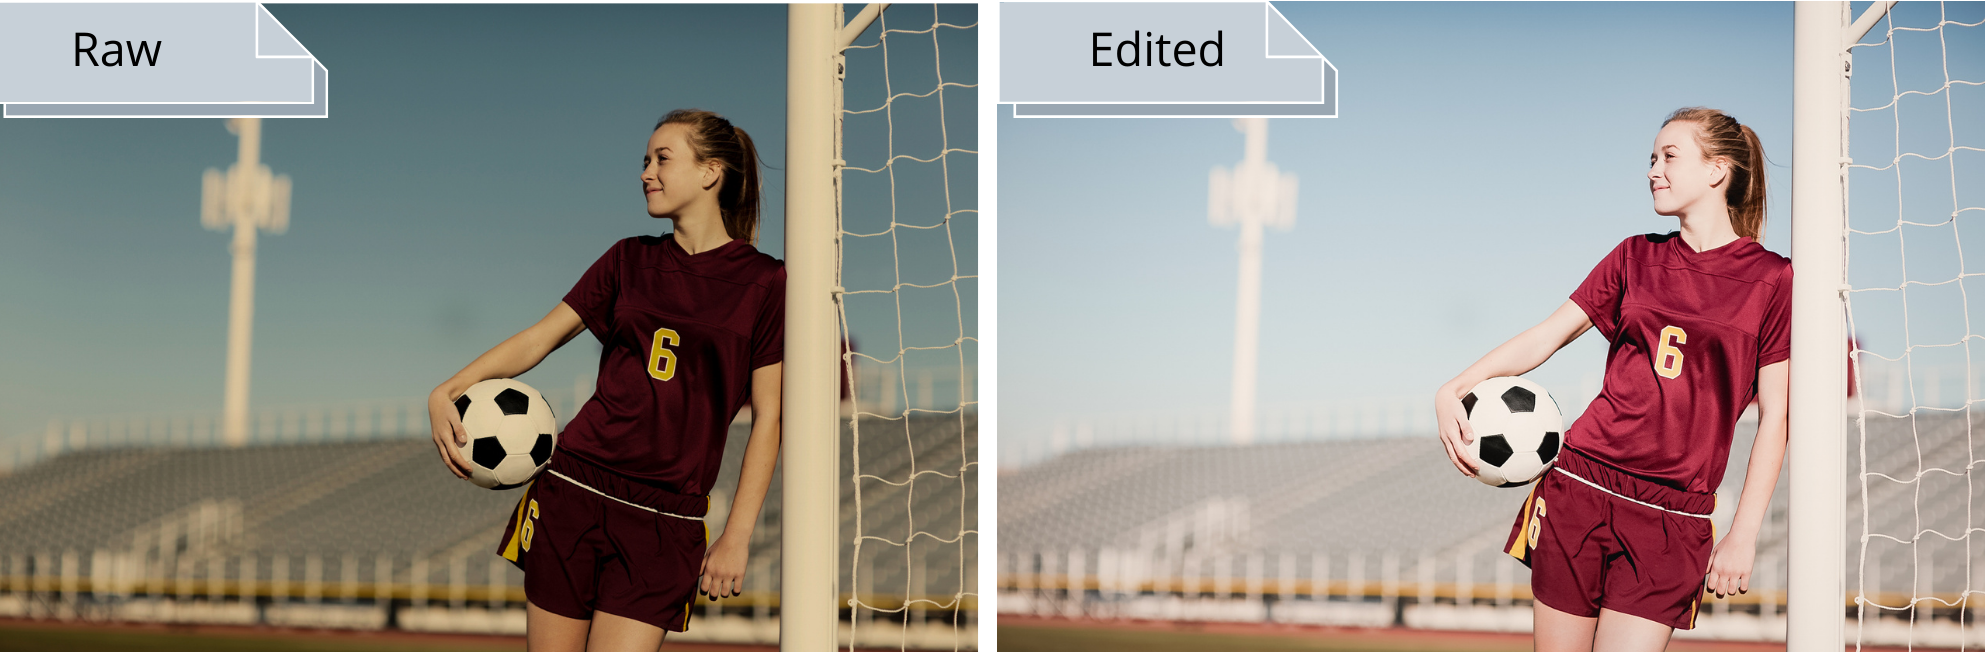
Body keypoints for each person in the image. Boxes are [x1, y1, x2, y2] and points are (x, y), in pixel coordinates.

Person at [1433, 107, 1791, 652]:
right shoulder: (1634, 256)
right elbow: (1545, 336)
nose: (1653, 169)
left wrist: (1744, 532)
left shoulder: (1772, 279)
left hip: (1674, 516)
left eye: (1670, 156)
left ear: (1718, 170)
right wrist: (1452, 387)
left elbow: (1776, 419)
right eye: (1652, 158)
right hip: (1581, 486)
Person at [427, 109, 784, 652]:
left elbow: (769, 418)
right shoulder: (628, 259)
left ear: (711, 172)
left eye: (663, 158)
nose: (646, 171)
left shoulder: (765, 282)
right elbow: (538, 338)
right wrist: (446, 390)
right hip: (575, 489)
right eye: (645, 160)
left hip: (667, 519)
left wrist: (737, 535)